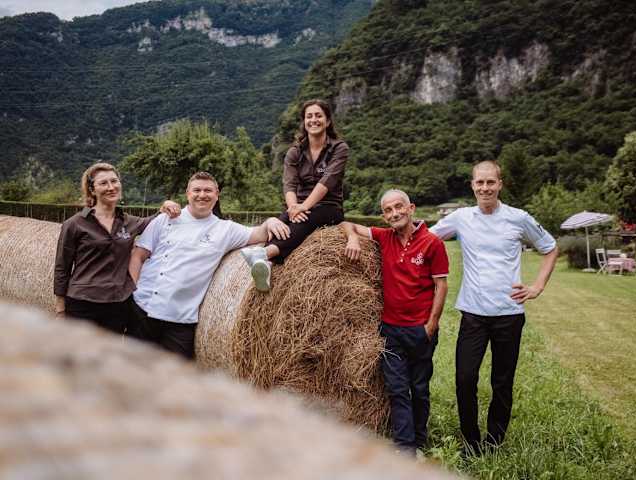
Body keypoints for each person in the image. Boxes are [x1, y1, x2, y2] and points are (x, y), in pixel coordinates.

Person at [429, 160, 559, 454]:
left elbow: (550, 248)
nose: (485, 188)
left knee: (502, 381)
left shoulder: (518, 218)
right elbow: (424, 239)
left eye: (490, 182)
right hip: (473, 314)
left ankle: (494, 440)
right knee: (465, 378)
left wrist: (537, 287)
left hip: (509, 314)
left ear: (500, 184)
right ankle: (471, 441)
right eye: (480, 182)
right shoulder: (461, 217)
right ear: (472, 185)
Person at [128, 171, 290, 359]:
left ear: (217, 194)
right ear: (188, 193)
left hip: (181, 319)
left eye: (208, 190)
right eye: (197, 190)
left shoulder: (226, 229)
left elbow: (260, 234)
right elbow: (138, 256)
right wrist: (131, 294)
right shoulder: (165, 219)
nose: (202, 195)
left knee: (176, 375)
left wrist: (270, 221)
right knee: (131, 369)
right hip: (143, 309)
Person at [341, 189, 449, 455]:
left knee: (419, 389)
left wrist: (431, 325)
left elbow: (441, 286)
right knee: (397, 389)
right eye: (388, 210)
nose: (394, 213)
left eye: (399, 207)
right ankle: (405, 446)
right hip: (390, 329)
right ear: (384, 215)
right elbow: (346, 224)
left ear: (411, 208)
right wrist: (352, 238)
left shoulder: (432, 243)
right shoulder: (383, 236)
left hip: (420, 330)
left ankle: (420, 438)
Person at [54, 162, 180, 334]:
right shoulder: (75, 224)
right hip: (82, 303)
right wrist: (60, 309)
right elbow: (62, 267)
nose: (111, 187)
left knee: (111, 350)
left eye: (114, 181)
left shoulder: (129, 222)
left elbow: (156, 220)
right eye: (103, 183)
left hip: (117, 305)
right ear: (92, 190)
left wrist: (167, 205)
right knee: (81, 350)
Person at [241, 99, 349, 291]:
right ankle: (267, 264)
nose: (313, 120)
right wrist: (292, 208)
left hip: (329, 207)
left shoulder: (339, 148)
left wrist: (303, 207)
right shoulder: (295, 152)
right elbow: (289, 184)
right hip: (298, 205)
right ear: (304, 121)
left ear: (327, 121)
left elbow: (326, 182)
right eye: (309, 116)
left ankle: (265, 253)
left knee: (304, 220)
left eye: (318, 116)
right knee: (280, 223)